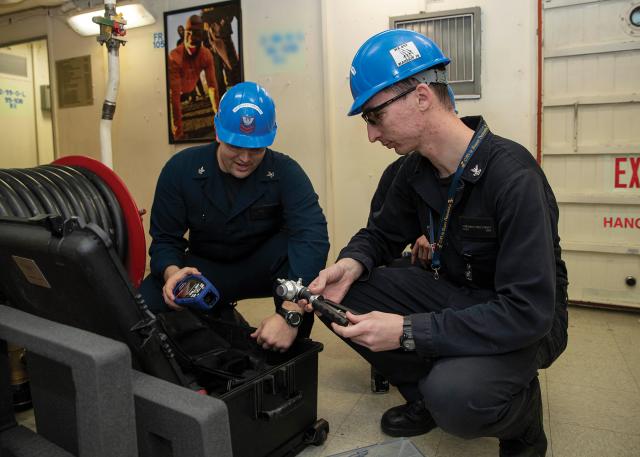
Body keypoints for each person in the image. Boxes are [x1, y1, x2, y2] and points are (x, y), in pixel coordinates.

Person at [304, 30, 568, 457]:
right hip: (457, 293)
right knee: (341, 298)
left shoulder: (513, 178)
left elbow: (528, 310)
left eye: (374, 117)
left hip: (525, 316)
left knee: (456, 397)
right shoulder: (414, 171)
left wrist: (408, 331)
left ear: (421, 98)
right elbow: (381, 235)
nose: (372, 136)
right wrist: (350, 264)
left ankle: (522, 422)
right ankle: (422, 395)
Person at [140, 81, 329, 351]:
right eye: (235, 146)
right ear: (218, 133)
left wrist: (291, 312)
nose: (245, 158)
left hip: (263, 269)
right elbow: (164, 240)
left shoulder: (286, 172)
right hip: (204, 270)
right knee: (140, 312)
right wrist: (173, 273)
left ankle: (287, 355)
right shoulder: (180, 170)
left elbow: (313, 237)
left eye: (256, 149)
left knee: (300, 267)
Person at [168, 15, 219, 141]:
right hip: (179, 89)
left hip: (190, 86)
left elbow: (212, 87)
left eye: (195, 33)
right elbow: (174, 96)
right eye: (188, 32)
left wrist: (219, 124)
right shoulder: (175, 57)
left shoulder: (206, 55)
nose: (190, 37)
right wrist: (178, 132)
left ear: (201, 35)